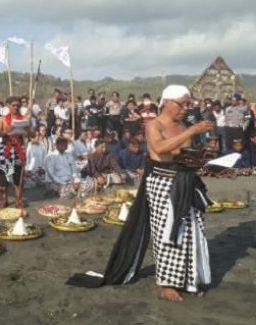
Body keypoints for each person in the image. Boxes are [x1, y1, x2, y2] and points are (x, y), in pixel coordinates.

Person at [73, 85, 214, 302]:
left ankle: (188, 279)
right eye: (182, 104)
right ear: (166, 102)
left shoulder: (184, 125)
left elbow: (183, 153)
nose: (186, 108)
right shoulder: (153, 125)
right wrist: (192, 131)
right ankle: (166, 284)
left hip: (185, 179)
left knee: (190, 230)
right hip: (162, 182)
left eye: (188, 104)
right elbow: (160, 148)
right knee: (166, 230)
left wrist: (206, 160)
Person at [0, 96, 30, 207]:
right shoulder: (1, 119)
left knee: (18, 174)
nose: (16, 107)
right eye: (13, 105)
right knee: (3, 175)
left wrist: (27, 128)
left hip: (19, 148)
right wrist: (6, 131)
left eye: (18, 106)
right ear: (8, 106)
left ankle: (18, 199)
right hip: (5, 148)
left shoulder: (23, 118)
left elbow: (31, 133)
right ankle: (4, 200)